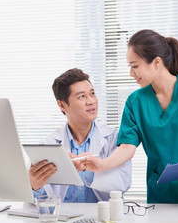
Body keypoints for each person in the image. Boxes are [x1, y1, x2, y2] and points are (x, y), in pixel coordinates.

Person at [84, 29, 178, 204]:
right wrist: (103, 165)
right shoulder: (135, 102)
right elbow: (127, 146)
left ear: (156, 62)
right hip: (163, 195)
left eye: (135, 66)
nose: (131, 73)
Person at [29, 68, 132, 203]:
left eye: (92, 93)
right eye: (81, 96)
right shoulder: (48, 144)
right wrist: (35, 186)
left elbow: (123, 182)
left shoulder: (113, 137)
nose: (91, 101)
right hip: (63, 219)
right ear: (62, 105)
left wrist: (87, 171)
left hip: (102, 219)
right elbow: (40, 200)